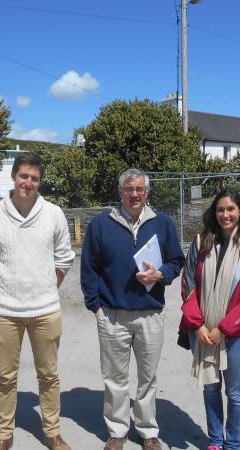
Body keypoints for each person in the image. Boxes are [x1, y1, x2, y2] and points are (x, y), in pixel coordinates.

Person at [0, 152, 75, 450]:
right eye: (24, 176)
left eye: (34, 178)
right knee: (5, 377)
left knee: (49, 375)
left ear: (39, 182)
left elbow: (65, 257)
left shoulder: (54, 214)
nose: (28, 183)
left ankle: (52, 432)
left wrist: (48, 287)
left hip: (45, 311)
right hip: (5, 313)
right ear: (13, 176)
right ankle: (4, 435)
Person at [81, 168, 184, 450]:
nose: (134, 194)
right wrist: (96, 307)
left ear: (147, 192)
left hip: (150, 314)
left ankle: (148, 431)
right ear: (120, 192)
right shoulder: (101, 224)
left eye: (139, 189)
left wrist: (160, 275)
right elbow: (88, 268)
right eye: (129, 189)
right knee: (115, 379)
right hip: (113, 316)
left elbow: (177, 260)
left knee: (148, 378)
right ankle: (117, 431)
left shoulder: (162, 223)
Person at [178, 187, 240, 450]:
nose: (225, 214)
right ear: (213, 212)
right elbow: (187, 286)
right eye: (220, 209)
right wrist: (199, 325)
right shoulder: (200, 244)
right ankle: (216, 441)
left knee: (234, 392)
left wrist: (223, 329)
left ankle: (233, 444)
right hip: (201, 331)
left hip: (235, 335)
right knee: (211, 388)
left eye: (230, 209)